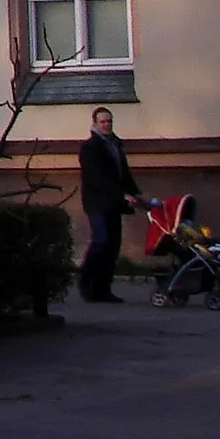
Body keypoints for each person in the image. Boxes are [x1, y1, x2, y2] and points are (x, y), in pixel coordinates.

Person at [77, 107, 143, 302]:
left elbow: (124, 174)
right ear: (95, 124)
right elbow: (97, 178)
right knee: (101, 241)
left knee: (113, 247)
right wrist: (122, 194)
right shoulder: (90, 147)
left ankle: (102, 289)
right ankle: (86, 284)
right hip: (97, 202)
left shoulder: (115, 145)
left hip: (115, 202)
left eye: (109, 121)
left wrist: (136, 194)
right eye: (102, 122)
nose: (106, 125)